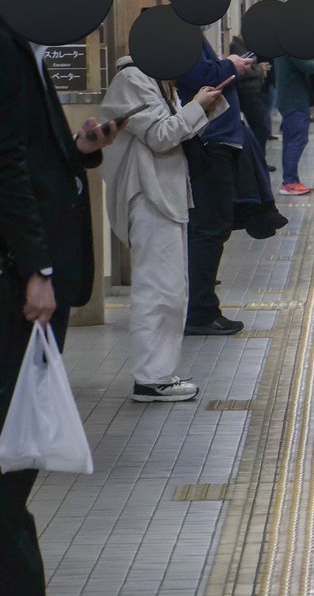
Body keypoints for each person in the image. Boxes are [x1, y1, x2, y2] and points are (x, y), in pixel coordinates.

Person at [0, 4, 123, 593]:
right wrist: (36, 269)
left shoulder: (22, 45)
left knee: (13, 455)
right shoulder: (2, 45)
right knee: (5, 462)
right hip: (13, 286)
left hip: (25, 278)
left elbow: (30, 156)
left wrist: (80, 148)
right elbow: (5, 165)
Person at [100, 55, 225, 401]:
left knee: (170, 289)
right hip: (149, 196)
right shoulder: (134, 78)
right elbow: (159, 136)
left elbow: (175, 130)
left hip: (164, 195)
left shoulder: (157, 75)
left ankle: (159, 374)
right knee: (157, 289)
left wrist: (204, 106)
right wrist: (197, 105)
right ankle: (151, 378)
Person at [176, 37, 253, 336]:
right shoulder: (181, 32)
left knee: (210, 227)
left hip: (215, 141)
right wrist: (229, 65)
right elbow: (200, 77)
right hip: (210, 143)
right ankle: (200, 311)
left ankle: (200, 307)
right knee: (210, 227)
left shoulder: (187, 30)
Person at [274, 53, 314, 195]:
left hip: (290, 99)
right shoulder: (292, 46)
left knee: (290, 141)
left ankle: (289, 181)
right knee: (298, 140)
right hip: (295, 101)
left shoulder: (283, 45)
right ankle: (290, 182)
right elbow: (307, 66)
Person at [228, 36, 274, 170]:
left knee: (260, 127)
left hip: (252, 91)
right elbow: (245, 70)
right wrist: (260, 70)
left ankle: (259, 161)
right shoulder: (238, 47)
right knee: (260, 127)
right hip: (248, 92)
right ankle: (258, 163)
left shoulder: (245, 47)